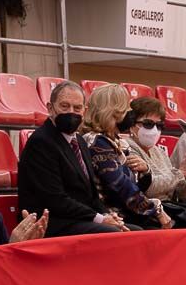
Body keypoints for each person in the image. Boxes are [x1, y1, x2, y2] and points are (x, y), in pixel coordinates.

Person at [18, 80, 129, 237]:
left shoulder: (80, 140)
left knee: (134, 231)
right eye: (64, 106)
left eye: (77, 108)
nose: (71, 112)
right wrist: (99, 219)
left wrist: (107, 215)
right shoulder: (42, 141)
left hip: (80, 219)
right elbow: (55, 199)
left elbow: (91, 194)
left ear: (85, 110)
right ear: (50, 108)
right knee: (113, 234)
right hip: (51, 222)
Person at [84, 84, 173, 231]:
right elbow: (121, 187)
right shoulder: (97, 143)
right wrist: (156, 209)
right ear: (113, 111)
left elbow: (135, 185)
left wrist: (144, 170)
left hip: (127, 211)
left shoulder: (114, 140)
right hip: (112, 214)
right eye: (126, 108)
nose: (129, 113)